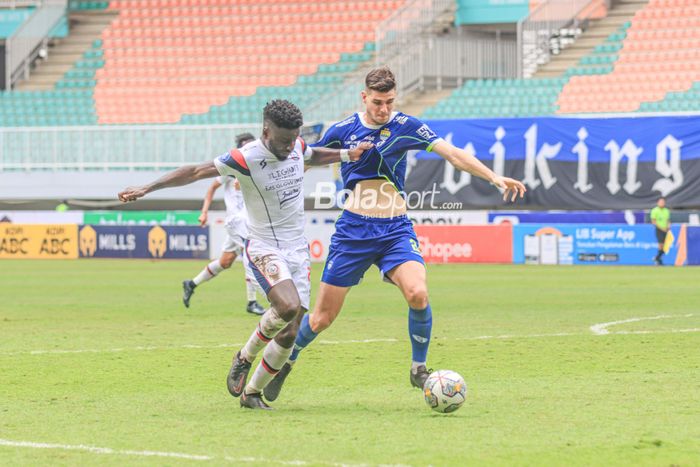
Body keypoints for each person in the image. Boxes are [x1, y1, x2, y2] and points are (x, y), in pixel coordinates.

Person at [262, 67, 527, 403]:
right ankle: (286, 363)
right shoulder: (343, 130)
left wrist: (494, 177)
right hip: (354, 233)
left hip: (395, 229)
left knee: (418, 293)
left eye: (389, 102)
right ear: (364, 97)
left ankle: (419, 369)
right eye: (377, 102)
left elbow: (453, 154)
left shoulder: (407, 126)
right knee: (321, 318)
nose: (383, 109)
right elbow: (304, 160)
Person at [118, 100, 371, 409]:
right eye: (283, 140)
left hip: (297, 250)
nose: (289, 147)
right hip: (264, 245)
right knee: (289, 306)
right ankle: (244, 356)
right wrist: (147, 187)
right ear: (266, 131)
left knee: (290, 334)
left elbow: (312, 153)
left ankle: (251, 393)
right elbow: (195, 171)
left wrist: (347, 154)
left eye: (293, 139)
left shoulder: (294, 144)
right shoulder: (246, 157)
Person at [182, 132, 266, 315]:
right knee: (252, 253)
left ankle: (191, 283)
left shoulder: (257, 166)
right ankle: (252, 302)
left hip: (247, 220)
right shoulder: (232, 167)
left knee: (225, 262)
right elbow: (212, 187)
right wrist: (204, 212)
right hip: (237, 220)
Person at [650, 197, 671, 265]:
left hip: (666, 230)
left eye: (663, 202)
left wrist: (668, 226)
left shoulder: (666, 210)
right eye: (661, 202)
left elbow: (668, 220)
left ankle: (657, 258)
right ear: (658, 203)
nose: (662, 203)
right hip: (659, 230)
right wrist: (662, 228)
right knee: (661, 245)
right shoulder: (654, 210)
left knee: (665, 246)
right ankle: (658, 259)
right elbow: (653, 221)